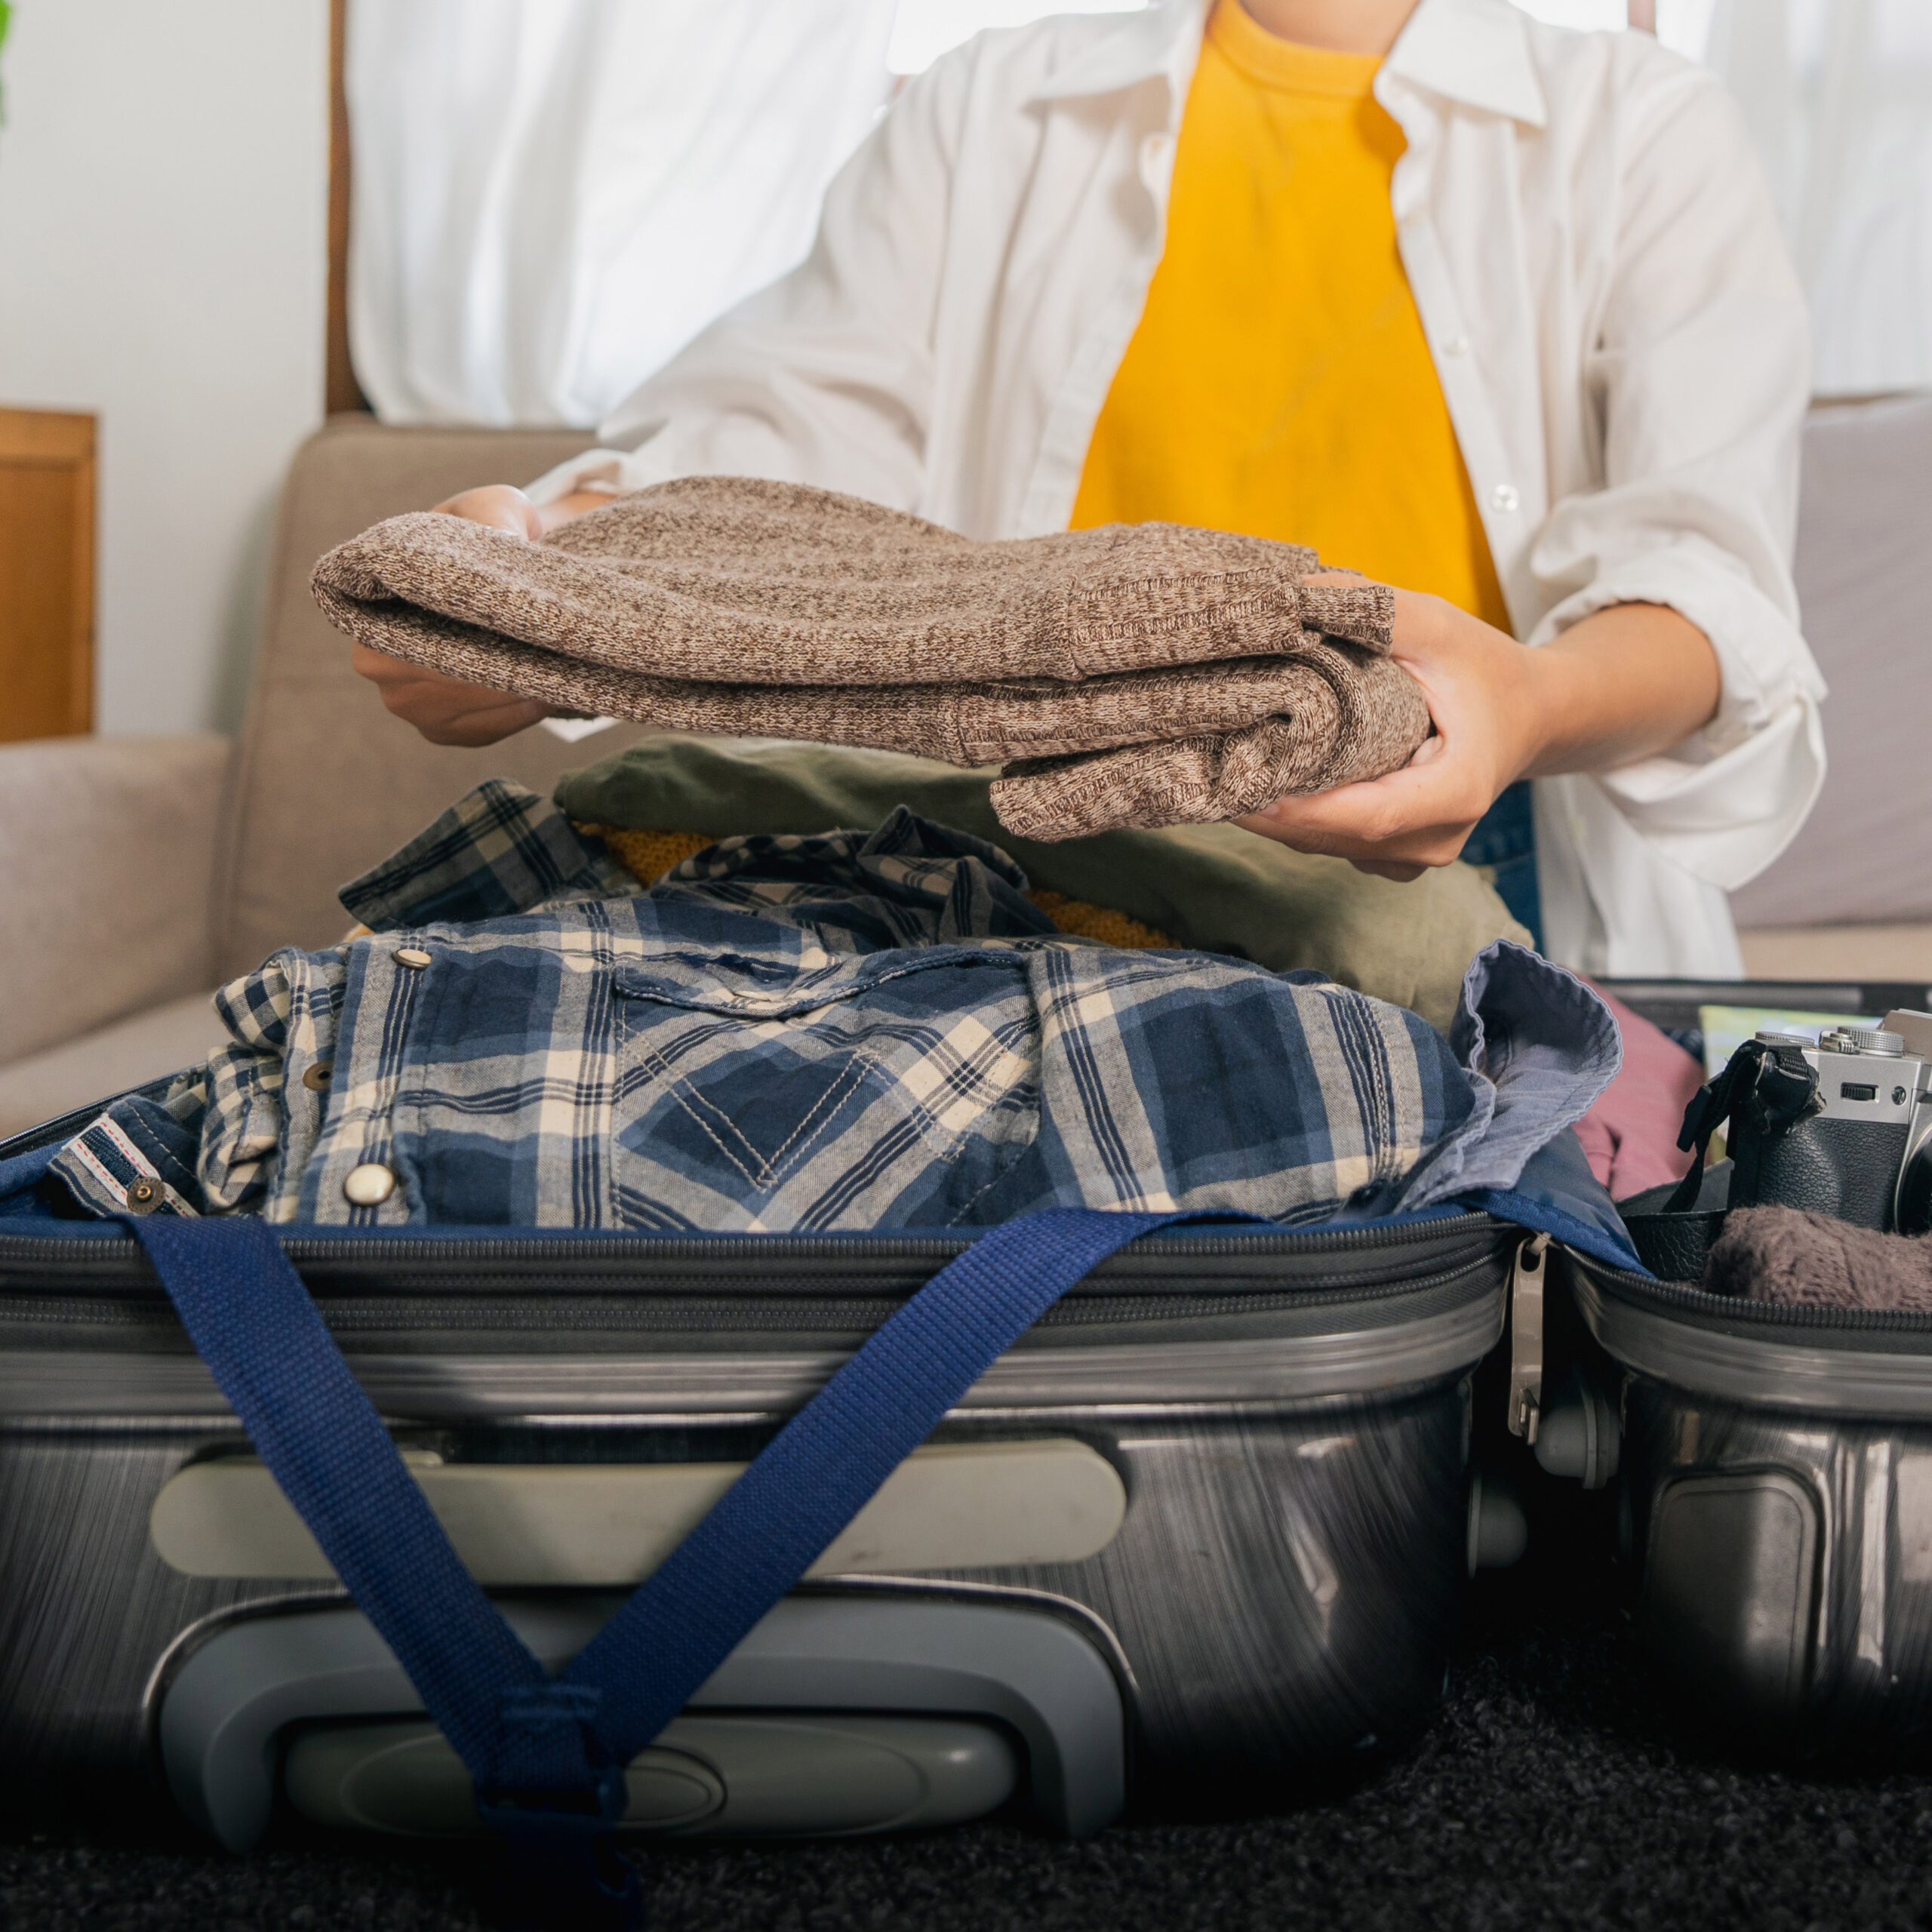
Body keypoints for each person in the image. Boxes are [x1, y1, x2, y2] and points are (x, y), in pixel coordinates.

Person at [353, 0, 1825, 980]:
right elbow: (783, 435)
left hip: (1479, 832)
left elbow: (1703, 598)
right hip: (1041, 853)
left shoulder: (1639, 128)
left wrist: (1521, 705)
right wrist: (551, 583)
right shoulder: (993, 107)